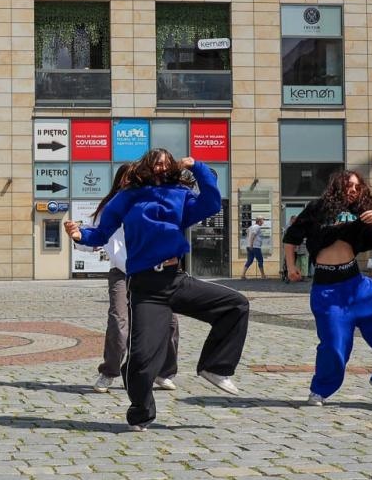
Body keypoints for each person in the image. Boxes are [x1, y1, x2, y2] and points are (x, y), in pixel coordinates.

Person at [65, 149, 249, 431]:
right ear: (146, 168)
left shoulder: (180, 194)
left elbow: (212, 203)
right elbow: (101, 232)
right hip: (146, 287)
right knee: (141, 359)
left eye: (167, 163)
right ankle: (141, 412)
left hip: (175, 279)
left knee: (235, 305)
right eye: (156, 163)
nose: (162, 168)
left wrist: (197, 167)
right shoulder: (127, 197)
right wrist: (80, 235)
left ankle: (215, 367)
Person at [284, 170, 372, 406]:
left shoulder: (362, 211)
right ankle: (320, 390)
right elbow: (292, 237)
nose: (353, 190)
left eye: (358, 187)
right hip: (328, 291)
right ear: (338, 186)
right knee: (335, 345)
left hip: (358, 287)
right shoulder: (317, 209)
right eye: (349, 185)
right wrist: (291, 266)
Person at [82, 162, 181, 394]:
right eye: (128, 178)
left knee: (170, 323)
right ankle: (109, 372)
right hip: (121, 273)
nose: (132, 182)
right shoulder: (109, 208)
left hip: (155, 271)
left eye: (136, 178)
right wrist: (77, 235)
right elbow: (95, 237)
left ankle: (164, 372)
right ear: (120, 181)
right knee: (118, 322)